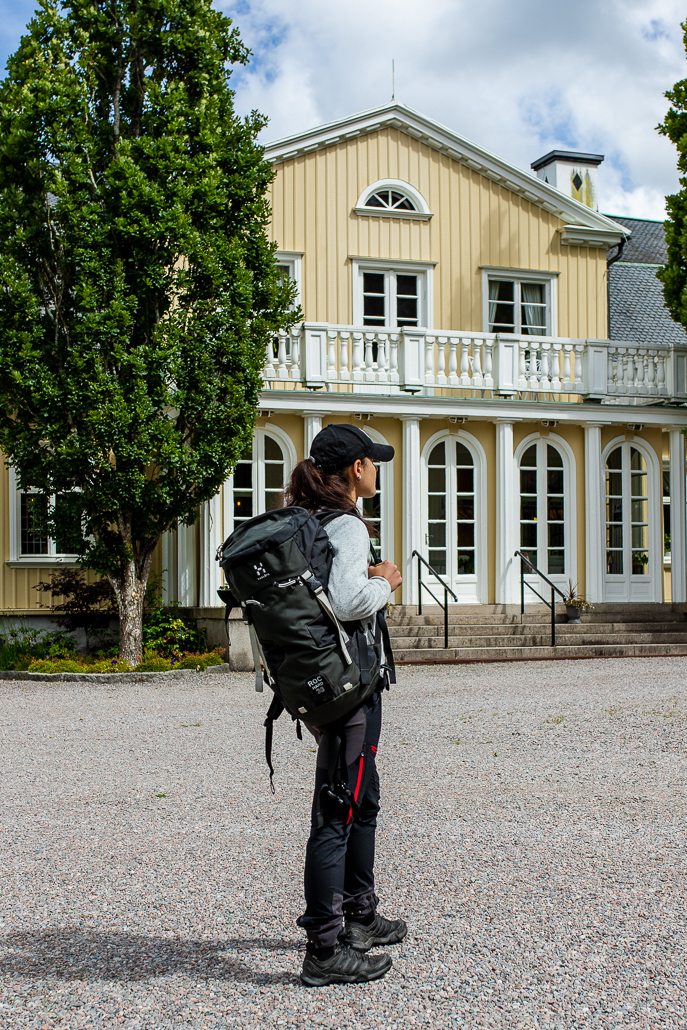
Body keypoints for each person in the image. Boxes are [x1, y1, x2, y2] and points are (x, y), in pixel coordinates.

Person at [284, 422, 407, 987]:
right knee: (337, 809)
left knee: (363, 795)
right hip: (349, 690)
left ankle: (359, 913)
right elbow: (349, 599)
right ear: (356, 469)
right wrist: (387, 580)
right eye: (373, 462)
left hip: (330, 685)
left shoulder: (307, 520)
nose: (378, 469)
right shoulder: (348, 525)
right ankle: (326, 948)